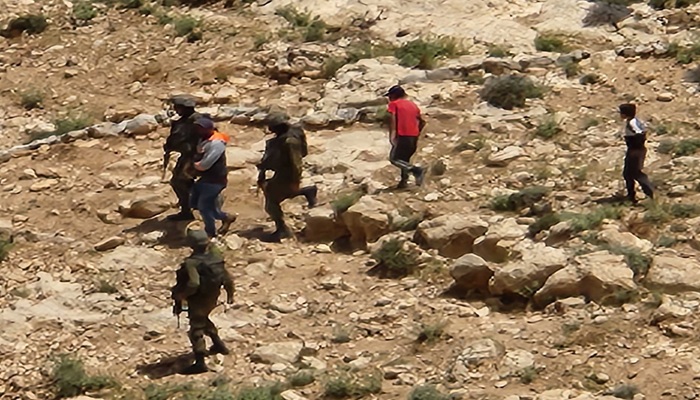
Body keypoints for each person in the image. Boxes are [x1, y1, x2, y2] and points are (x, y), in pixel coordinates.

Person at [171, 229, 234, 375]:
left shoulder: (192, 263)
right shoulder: (216, 258)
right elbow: (228, 278)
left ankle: (200, 362)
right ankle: (219, 345)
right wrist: (230, 294)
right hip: (213, 296)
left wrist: (182, 295)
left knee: (196, 330)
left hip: (198, 299)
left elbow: (194, 283)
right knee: (203, 319)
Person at [257, 113, 317, 242]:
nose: (270, 129)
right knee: (283, 193)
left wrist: (295, 180)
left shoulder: (289, 141)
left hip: (287, 173)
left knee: (271, 202)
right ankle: (307, 191)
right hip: (282, 171)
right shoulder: (292, 133)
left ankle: (282, 230)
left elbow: (296, 163)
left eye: (272, 126)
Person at [191, 117, 236, 238]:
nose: (198, 130)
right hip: (205, 178)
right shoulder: (203, 139)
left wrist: (194, 165)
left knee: (204, 206)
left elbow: (206, 163)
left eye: (201, 128)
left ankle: (210, 232)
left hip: (215, 179)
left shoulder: (216, 143)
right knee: (200, 204)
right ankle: (225, 217)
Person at [163, 95, 203, 221]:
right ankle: (189, 208)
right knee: (181, 182)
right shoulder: (181, 122)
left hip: (195, 157)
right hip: (186, 156)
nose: (175, 109)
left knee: (179, 182)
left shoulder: (198, 121)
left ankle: (190, 210)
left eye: (177, 107)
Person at [385, 85, 426, 189]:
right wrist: (417, 132)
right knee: (404, 159)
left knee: (394, 159)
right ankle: (403, 182)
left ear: (394, 95)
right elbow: (422, 122)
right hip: (413, 135)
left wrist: (393, 134)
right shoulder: (413, 105)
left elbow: (393, 119)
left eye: (390, 96)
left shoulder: (394, 104)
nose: (389, 98)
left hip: (402, 134)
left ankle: (416, 170)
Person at [619, 103, 654, 204]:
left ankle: (650, 193)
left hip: (635, 151)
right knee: (628, 174)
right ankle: (631, 196)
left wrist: (635, 144)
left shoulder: (632, 123)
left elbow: (639, 133)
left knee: (635, 173)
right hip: (636, 150)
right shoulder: (635, 121)